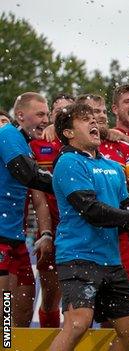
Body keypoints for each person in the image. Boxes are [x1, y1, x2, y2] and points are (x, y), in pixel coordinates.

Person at [48, 103, 129, 351]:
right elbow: (93, 211)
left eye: (95, 119)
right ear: (68, 133)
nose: (94, 123)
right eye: (85, 120)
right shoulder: (68, 162)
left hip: (110, 261)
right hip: (78, 257)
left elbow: (118, 205)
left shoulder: (111, 166)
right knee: (78, 323)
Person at [78, 93, 129, 295]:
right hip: (83, 238)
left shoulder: (123, 146)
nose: (100, 116)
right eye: (93, 112)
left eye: (102, 111)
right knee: (83, 312)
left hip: (118, 235)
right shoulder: (72, 149)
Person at [0, 92, 54, 327]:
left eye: (47, 114)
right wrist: (70, 185)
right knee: (4, 315)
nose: (46, 119)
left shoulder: (25, 144)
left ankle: (11, 346)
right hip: (1, 237)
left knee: (21, 311)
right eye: (40, 114)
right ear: (20, 115)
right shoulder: (8, 135)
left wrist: (46, 233)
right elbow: (28, 174)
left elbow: (38, 196)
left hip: (16, 238)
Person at [29, 92, 74, 328]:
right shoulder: (38, 144)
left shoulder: (82, 143)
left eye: (68, 111)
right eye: (58, 111)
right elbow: (38, 197)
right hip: (50, 229)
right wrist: (46, 233)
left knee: (74, 302)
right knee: (50, 298)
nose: (63, 115)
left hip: (78, 232)